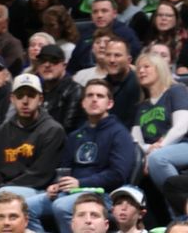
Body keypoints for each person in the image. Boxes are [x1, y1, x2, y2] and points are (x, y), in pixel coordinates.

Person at [24, 79, 135, 232]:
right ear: (82, 103)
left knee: (61, 207)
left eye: (100, 96)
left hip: (103, 195)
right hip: (71, 192)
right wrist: (57, 185)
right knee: (26, 208)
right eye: (89, 95)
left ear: (109, 103)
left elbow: (118, 175)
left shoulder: (119, 134)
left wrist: (80, 183)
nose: (94, 99)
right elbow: (64, 169)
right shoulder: (76, 135)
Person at [0, 74, 66, 212]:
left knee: (3, 199)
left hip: (42, 192)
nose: (25, 101)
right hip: (3, 190)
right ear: (12, 99)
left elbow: (40, 175)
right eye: (20, 96)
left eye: (31, 95)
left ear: (40, 99)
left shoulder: (53, 130)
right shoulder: (0, 133)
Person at [132, 52, 188, 194]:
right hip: (157, 151)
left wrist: (159, 148)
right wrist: (148, 148)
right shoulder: (141, 106)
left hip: (183, 145)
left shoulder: (176, 90)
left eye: (146, 66)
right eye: (138, 68)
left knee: (158, 159)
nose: (141, 71)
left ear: (160, 68)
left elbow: (182, 126)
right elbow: (135, 140)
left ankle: (183, 208)